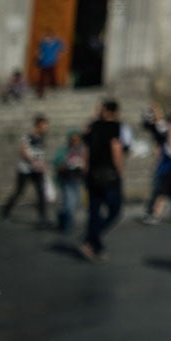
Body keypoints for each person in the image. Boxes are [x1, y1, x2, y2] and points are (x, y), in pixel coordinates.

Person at [80, 99, 126, 262]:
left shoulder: (92, 126)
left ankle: (93, 244)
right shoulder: (115, 126)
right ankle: (90, 240)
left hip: (92, 175)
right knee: (115, 210)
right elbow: (116, 149)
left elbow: (85, 151)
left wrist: (86, 170)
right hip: (109, 174)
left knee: (94, 212)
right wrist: (119, 170)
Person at [0, 115, 52, 225]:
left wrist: (42, 164)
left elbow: (40, 153)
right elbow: (23, 151)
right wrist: (34, 162)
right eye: (44, 125)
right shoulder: (28, 136)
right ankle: (5, 211)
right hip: (25, 170)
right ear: (38, 125)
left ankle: (43, 217)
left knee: (41, 192)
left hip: (37, 170)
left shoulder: (41, 138)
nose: (45, 128)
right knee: (19, 191)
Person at [53, 130, 87, 236]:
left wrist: (81, 166)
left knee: (75, 202)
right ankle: (67, 227)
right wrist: (67, 166)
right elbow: (57, 165)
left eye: (78, 140)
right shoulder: (64, 151)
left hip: (76, 180)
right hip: (66, 180)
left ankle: (62, 217)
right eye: (73, 140)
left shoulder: (81, 151)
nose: (76, 142)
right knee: (69, 204)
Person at [34, 31, 64, 97]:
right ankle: (40, 92)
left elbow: (63, 47)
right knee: (41, 78)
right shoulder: (43, 44)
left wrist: (58, 39)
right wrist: (38, 58)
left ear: (51, 38)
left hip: (52, 63)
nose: (47, 39)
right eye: (46, 38)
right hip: (43, 63)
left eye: (49, 38)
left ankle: (54, 90)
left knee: (53, 78)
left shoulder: (55, 45)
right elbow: (39, 52)